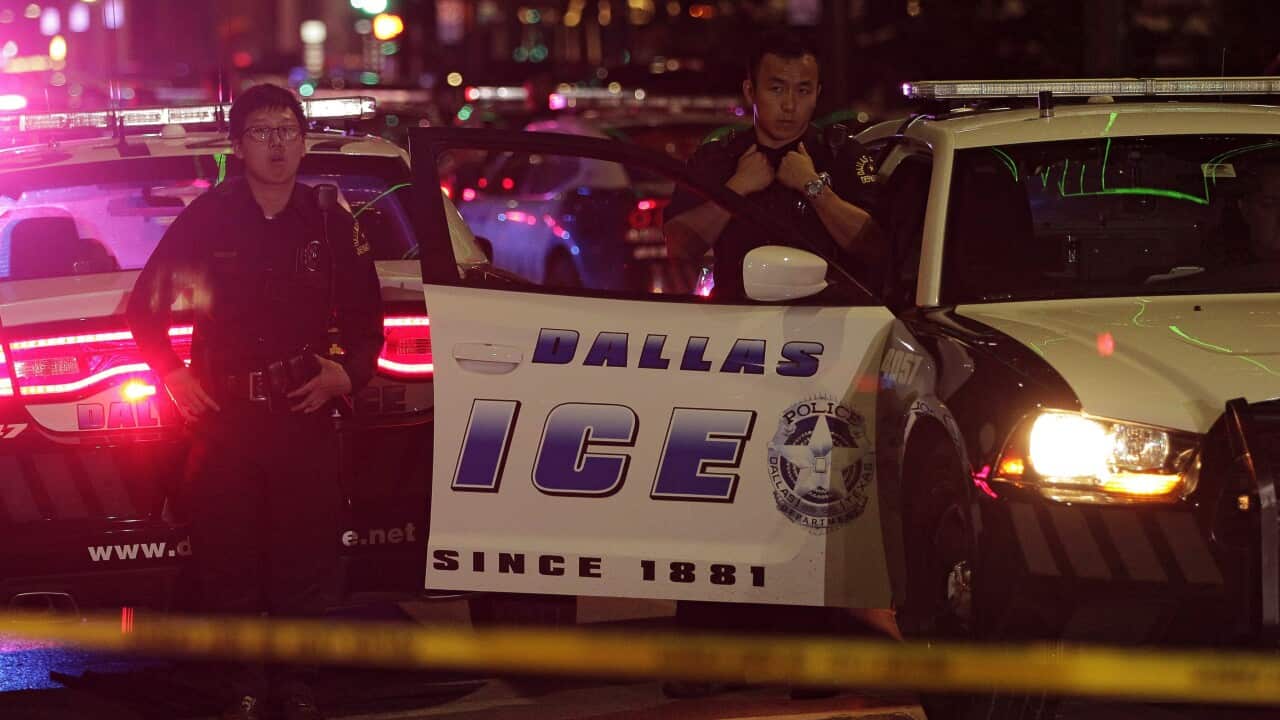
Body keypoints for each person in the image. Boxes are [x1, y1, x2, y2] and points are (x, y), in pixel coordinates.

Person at [127, 84, 384, 720]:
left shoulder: (330, 221)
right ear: (238, 145)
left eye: (288, 130)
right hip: (226, 424)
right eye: (263, 132)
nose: (277, 144)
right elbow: (145, 309)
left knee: (306, 565)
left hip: (303, 418)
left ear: (304, 140)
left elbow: (366, 323)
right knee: (229, 561)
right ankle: (242, 685)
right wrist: (172, 374)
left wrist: (345, 377)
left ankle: (297, 687)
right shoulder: (209, 217)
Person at [664, 29, 883, 300]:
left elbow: (875, 248)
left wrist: (813, 187)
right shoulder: (717, 158)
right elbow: (679, 248)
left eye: (803, 90)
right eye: (776, 89)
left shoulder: (841, 155)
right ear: (750, 91)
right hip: (735, 325)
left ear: (817, 94)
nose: (790, 105)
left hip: (827, 324)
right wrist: (735, 189)